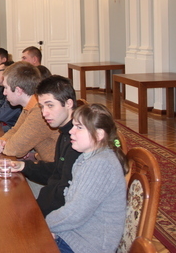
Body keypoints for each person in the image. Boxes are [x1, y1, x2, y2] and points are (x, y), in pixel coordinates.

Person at [46, 104, 129, 253]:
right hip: (75, 234)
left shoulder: (100, 164)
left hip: (87, 245)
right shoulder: (87, 157)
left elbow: (75, 213)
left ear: (99, 135)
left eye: (79, 127)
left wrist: (45, 224)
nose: (71, 131)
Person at [0, 75, 80, 217]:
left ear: (69, 104)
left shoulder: (79, 141)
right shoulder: (65, 132)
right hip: (54, 203)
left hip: (64, 217)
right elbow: (56, 171)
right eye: (41, 107)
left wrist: (36, 215)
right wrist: (23, 166)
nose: (44, 113)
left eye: (50, 105)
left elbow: (68, 193)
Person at [0, 62, 59, 160]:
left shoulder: (39, 111)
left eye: (6, 88)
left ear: (18, 91)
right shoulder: (30, 106)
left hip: (52, 171)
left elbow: (15, 149)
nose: (4, 92)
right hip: (42, 163)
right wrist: (2, 140)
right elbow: (15, 130)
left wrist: (2, 146)